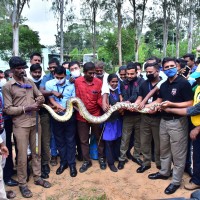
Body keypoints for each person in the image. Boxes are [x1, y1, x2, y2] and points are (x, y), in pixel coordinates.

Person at [2, 56, 51, 198]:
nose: (22, 70)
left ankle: (37, 177)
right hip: (21, 126)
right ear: (12, 70)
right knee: (22, 156)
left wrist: (40, 100)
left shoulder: (30, 82)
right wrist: (27, 107)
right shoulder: (7, 86)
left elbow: (40, 96)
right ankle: (22, 184)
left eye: (23, 68)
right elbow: (8, 109)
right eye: (18, 68)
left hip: (35, 123)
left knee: (37, 151)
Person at [148, 57, 193, 195]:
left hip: (178, 122)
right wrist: (149, 106)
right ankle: (164, 172)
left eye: (171, 66)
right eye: (166, 67)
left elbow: (190, 103)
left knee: (178, 153)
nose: (169, 69)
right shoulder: (164, 84)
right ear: (162, 69)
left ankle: (176, 181)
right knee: (164, 149)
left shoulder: (183, 83)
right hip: (164, 121)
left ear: (177, 67)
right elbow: (160, 99)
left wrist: (171, 105)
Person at [164, 65, 200, 190]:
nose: (196, 80)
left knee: (186, 154)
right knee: (196, 155)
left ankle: (191, 181)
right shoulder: (198, 87)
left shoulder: (184, 83)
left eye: (199, 78)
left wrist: (169, 108)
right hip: (193, 124)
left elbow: (192, 109)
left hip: (191, 125)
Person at [45, 66, 77, 177]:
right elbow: (50, 98)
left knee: (70, 140)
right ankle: (63, 162)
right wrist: (57, 106)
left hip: (69, 116)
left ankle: (72, 164)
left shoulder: (71, 85)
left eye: (61, 77)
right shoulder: (49, 84)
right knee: (59, 140)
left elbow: (73, 100)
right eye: (57, 77)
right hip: (56, 116)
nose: (59, 79)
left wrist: (67, 109)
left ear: (65, 75)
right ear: (54, 75)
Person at [75, 62, 106, 173]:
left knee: (99, 137)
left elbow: (99, 98)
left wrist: (104, 106)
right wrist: (79, 110)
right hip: (81, 116)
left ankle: (102, 158)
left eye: (94, 73)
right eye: (90, 73)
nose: (92, 75)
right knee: (83, 140)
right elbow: (75, 99)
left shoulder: (98, 82)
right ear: (84, 72)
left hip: (95, 115)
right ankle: (86, 161)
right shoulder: (77, 82)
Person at [135, 61, 162, 173]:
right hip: (145, 117)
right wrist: (136, 104)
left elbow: (159, 100)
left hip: (157, 118)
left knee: (158, 142)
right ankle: (146, 163)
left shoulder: (163, 83)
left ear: (157, 71)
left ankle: (160, 164)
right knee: (144, 141)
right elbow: (140, 97)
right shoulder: (144, 84)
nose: (148, 74)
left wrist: (144, 105)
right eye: (147, 72)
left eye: (151, 72)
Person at [118, 62, 144, 170]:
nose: (129, 76)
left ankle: (136, 156)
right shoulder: (123, 83)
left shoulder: (142, 82)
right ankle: (122, 159)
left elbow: (140, 96)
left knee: (138, 138)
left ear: (137, 72)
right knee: (125, 138)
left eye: (132, 74)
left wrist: (132, 103)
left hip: (139, 114)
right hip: (127, 115)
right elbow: (123, 96)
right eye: (128, 74)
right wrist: (125, 102)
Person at [30, 64, 51, 179]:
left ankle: (45, 164)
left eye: (39, 72)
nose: (37, 74)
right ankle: (35, 167)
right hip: (31, 116)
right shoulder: (27, 83)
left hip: (44, 115)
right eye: (35, 72)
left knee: (45, 141)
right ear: (31, 72)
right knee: (35, 143)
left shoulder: (44, 82)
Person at [39, 58, 61, 167]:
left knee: (64, 133)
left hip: (64, 109)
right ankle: (53, 155)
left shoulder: (65, 75)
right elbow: (41, 91)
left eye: (54, 67)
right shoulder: (46, 78)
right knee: (52, 134)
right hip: (50, 109)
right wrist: (52, 92)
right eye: (50, 67)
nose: (52, 69)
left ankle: (64, 154)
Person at [102, 74, 123, 172]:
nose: (114, 84)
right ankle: (110, 163)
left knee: (117, 140)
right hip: (109, 122)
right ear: (108, 82)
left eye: (116, 82)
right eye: (112, 82)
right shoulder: (106, 92)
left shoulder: (118, 91)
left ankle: (116, 157)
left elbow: (122, 103)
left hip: (118, 120)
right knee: (109, 142)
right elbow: (104, 106)